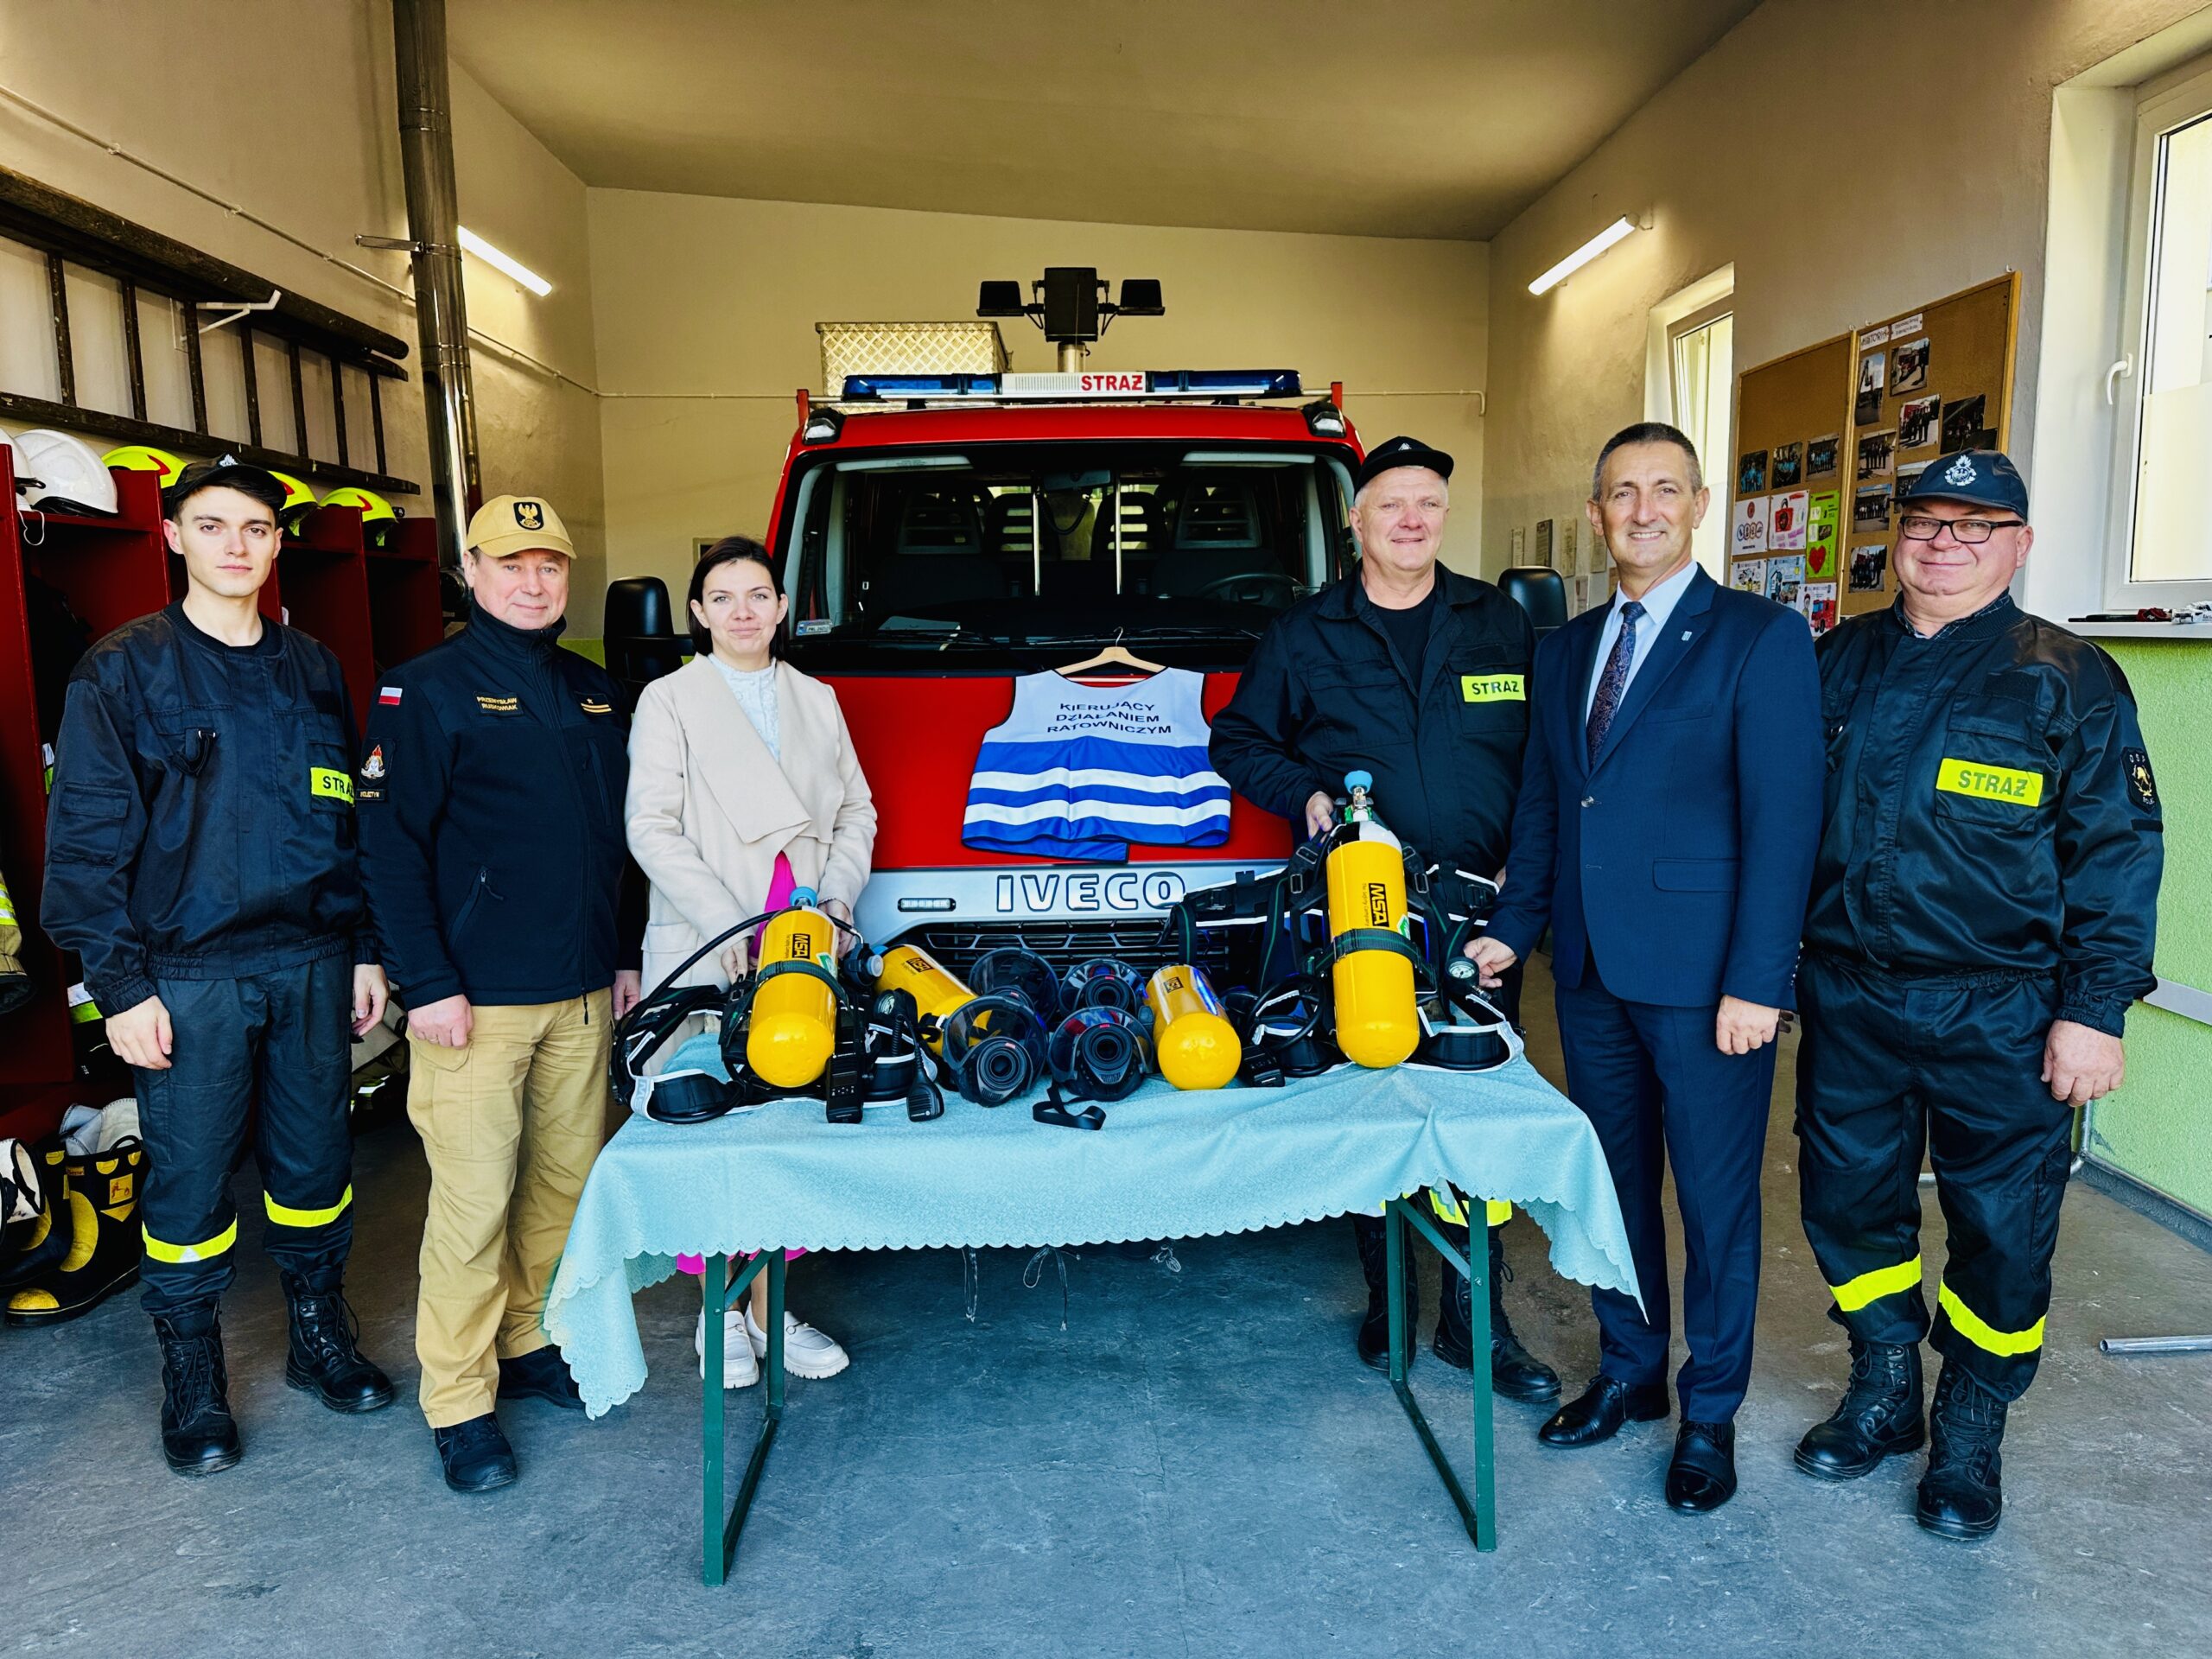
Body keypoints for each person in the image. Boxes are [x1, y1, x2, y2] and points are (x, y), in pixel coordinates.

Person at [1791, 450, 2162, 1541]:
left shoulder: (2068, 675)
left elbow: (2117, 851)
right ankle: (1884, 1391)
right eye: (1925, 521)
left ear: (2019, 544)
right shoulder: (1832, 660)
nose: (1944, 541)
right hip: (1850, 994)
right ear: (1893, 535)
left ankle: (1968, 1427)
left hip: (2001, 1008)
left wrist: (2095, 1010)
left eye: (1975, 524)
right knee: (1846, 1201)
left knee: (2001, 1227)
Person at [1468, 422, 1822, 1512]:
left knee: (1714, 1205)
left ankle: (1707, 1410)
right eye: (1621, 492)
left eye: (1663, 489)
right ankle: (1632, 1373)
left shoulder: (1760, 638)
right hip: (1585, 969)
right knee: (1613, 1193)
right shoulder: (1564, 648)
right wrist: (1513, 927)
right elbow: (1543, 807)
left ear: (1699, 504)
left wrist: (1759, 983)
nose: (1642, 510)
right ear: (1595, 514)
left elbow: (1784, 823)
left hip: (1709, 979)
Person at [42, 457, 394, 1476]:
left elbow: (349, 822)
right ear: (174, 537)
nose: (237, 545)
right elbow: (87, 846)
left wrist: (365, 946)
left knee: (315, 1172)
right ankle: (192, 1376)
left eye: (255, 527)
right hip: (185, 974)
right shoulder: (121, 671)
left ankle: (318, 1338)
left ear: (278, 543)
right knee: (189, 1185)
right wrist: (120, 988)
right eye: (213, 524)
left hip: (314, 962)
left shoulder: (315, 667)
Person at [1211, 435, 1559, 1404]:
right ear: (1355, 521)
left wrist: (1521, 897)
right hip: (1359, 912)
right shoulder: (1305, 631)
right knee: (1371, 1090)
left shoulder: (1495, 623)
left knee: (1476, 1107)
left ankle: (1474, 1317)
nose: (1412, 520)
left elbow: (1542, 769)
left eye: (1429, 505)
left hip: (1476, 917)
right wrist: (1308, 797)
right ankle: (1389, 1299)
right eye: (1392, 504)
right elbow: (1237, 738)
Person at [358, 494, 643, 1494]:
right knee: (474, 1207)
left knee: (561, 1194)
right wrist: (426, 982)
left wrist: (623, 952)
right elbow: (389, 851)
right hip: (471, 1004)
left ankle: (526, 1344)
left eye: (550, 567)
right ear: (471, 574)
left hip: (579, 994)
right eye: (511, 565)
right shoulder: (423, 692)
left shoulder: (593, 690)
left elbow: (617, 844)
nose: (533, 583)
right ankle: (459, 1402)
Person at [626, 537, 876, 1386]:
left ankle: (773, 1307)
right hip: (707, 935)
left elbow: (856, 810)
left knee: (789, 1118)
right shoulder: (670, 699)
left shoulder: (816, 698)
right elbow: (650, 826)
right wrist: (724, 919)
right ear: (698, 612)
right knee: (712, 1124)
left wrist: (839, 896)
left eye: (757, 594)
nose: (742, 610)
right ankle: (717, 1317)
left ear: (781, 607)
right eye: (723, 596)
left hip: (803, 936)